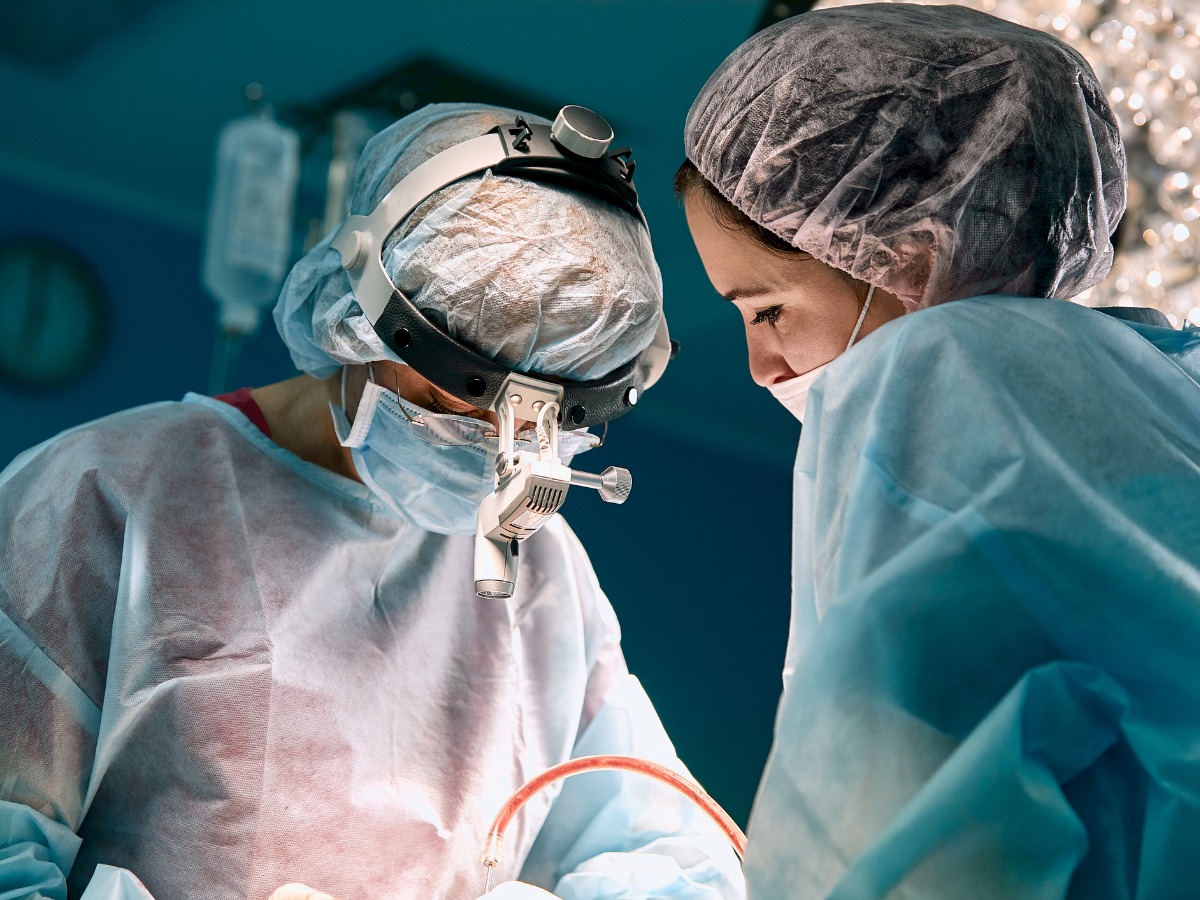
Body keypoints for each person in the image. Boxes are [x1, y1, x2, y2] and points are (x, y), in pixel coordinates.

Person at [0, 103, 745, 900]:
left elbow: (671, 857)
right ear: (362, 320)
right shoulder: (105, 495)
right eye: (465, 400)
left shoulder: (544, 570)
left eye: (550, 417)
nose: (503, 448)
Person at [678, 4, 1200, 897]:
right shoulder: (1161, 382)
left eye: (766, 310)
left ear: (912, 261)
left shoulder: (938, 372)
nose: (761, 367)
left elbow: (900, 824)